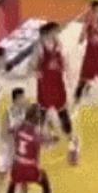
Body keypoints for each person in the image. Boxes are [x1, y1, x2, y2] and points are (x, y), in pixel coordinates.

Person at [29, 22, 80, 164]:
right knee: (43, 112)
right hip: (45, 84)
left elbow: (65, 61)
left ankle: (72, 140)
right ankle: (46, 137)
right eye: (56, 31)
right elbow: (31, 65)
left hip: (57, 83)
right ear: (49, 32)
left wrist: (69, 76)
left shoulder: (58, 44)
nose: (58, 34)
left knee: (62, 112)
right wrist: (36, 72)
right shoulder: (39, 47)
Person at [2, 104, 58, 193]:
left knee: (13, 183)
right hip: (31, 169)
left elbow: (9, 131)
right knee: (45, 182)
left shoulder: (19, 127)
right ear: (36, 118)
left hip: (18, 166)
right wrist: (54, 139)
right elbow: (47, 143)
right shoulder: (36, 135)